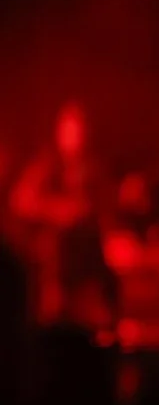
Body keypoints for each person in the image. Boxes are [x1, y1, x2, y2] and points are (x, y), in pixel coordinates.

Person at [9, 102, 111, 325]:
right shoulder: (48, 165)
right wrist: (57, 211)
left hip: (86, 264)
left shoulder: (93, 170)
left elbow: (102, 213)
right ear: (59, 132)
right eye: (68, 130)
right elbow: (20, 200)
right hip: (53, 266)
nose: (74, 136)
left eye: (78, 130)